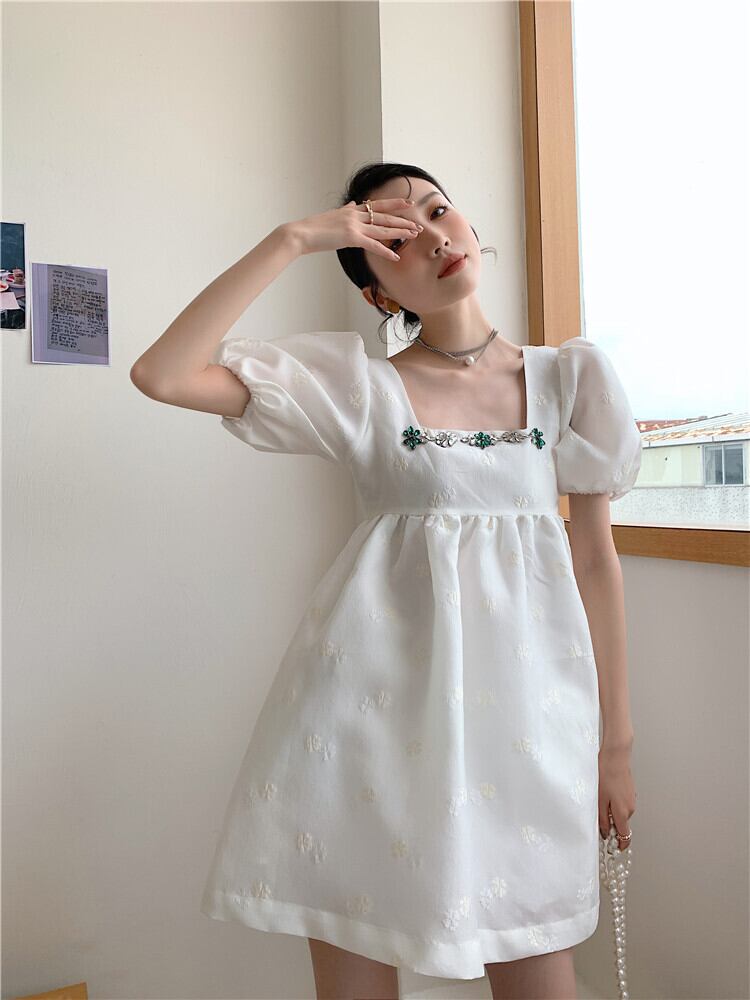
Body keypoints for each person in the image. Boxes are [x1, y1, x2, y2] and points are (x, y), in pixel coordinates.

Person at [130, 162, 639, 1000]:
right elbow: (164, 373)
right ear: (376, 292)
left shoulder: (570, 382)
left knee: (542, 965)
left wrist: (614, 748)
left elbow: (594, 563)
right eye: (394, 236)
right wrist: (294, 239)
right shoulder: (359, 388)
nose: (432, 236)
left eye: (437, 210)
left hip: (528, 730)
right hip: (365, 729)